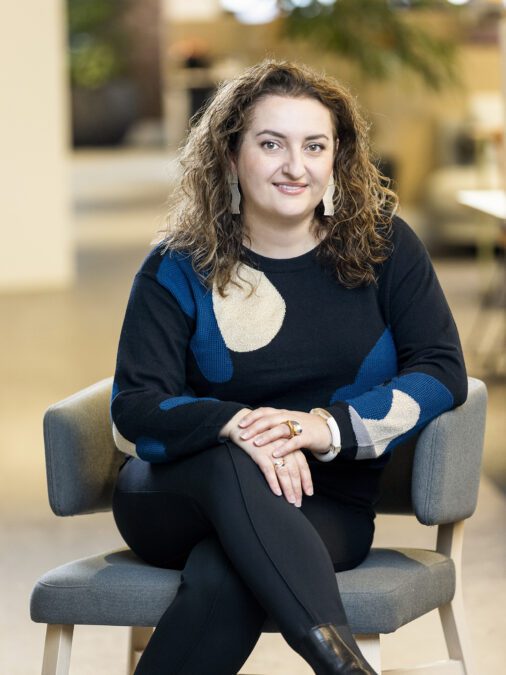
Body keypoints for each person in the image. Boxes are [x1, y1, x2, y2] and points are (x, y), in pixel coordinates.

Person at [110, 60, 467, 675]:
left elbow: (440, 370)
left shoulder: (386, 249)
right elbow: (135, 404)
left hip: (325, 504)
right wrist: (239, 427)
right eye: (270, 144)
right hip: (178, 495)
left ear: (337, 159)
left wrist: (318, 428)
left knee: (226, 571)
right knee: (232, 459)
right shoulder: (178, 265)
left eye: (314, 146)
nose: (294, 166)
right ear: (229, 157)